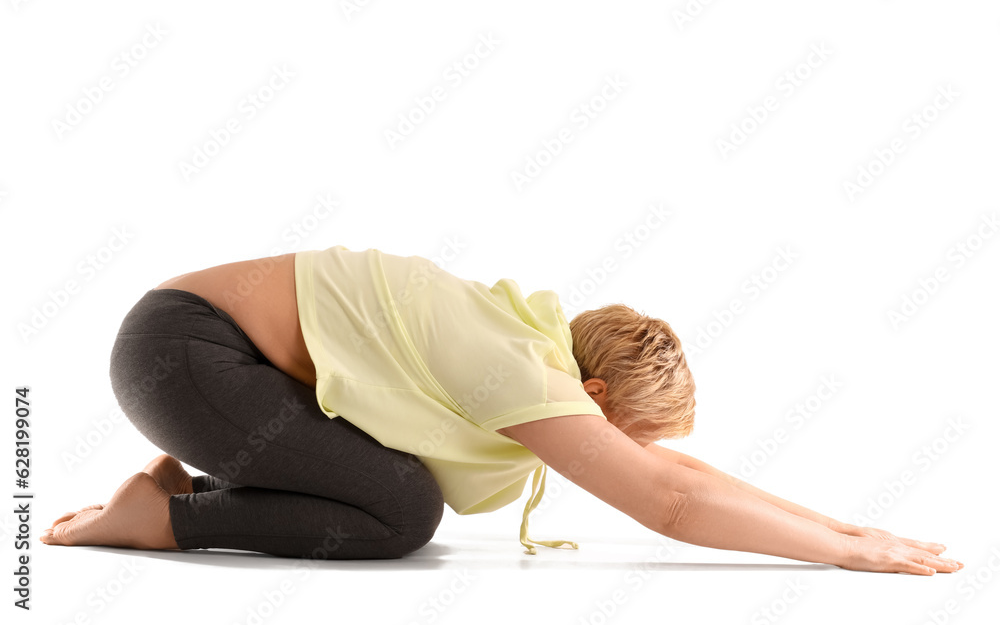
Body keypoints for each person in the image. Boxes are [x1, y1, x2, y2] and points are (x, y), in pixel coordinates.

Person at [41, 246, 963, 574]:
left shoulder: (520, 342)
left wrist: (846, 526)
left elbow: (679, 475)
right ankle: (165, 518)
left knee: (397, 492)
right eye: (613, 433)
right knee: (403, 512)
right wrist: (844, 555)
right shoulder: (516, 368)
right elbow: (667, 500)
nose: (605, 453)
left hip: (203, 357)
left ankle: (178, 492)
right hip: (183, 353)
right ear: (591, 394)